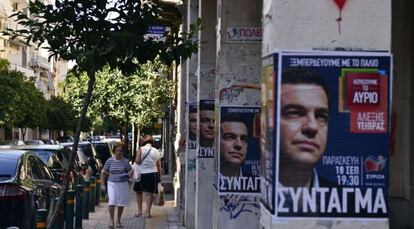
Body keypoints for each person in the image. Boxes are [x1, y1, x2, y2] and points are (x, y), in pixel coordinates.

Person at [279, 68, 330, 188]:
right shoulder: (249, 197)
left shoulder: (353, 203)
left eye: (321, 116)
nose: (312, 126)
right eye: (295, 113)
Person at [101, 142, 132, 228]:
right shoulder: (109, 160)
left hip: (123, 184)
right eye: (117, 150)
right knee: (112, 202)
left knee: (120, 203)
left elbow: (131, 172)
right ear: (114, 151)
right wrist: (103, 184)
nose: (119, 152)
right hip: (112, 183)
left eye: (121, 151)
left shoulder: (126, 161)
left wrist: (129, 175)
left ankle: (118, 220)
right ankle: (111, 220)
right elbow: (103, 172)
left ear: (123, 152)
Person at [133, 135, 161, 218]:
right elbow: (158, 165)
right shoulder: (156, 151)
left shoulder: (140, 149)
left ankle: (139, 212)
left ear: (144, 141)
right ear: (152, 142)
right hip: (152, 173)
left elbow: (137, 161)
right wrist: (159, 176)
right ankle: (148, 213)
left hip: (141, 174)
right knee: (149, 193)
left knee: (138, 192)